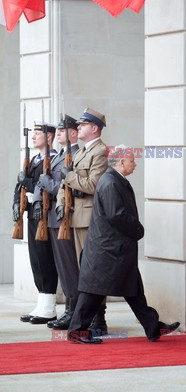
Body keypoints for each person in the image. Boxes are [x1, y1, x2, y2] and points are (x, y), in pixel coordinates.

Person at [67, 145, 180, 344]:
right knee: (93, 291)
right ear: (121, 162)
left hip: (116, 250)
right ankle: (76, 332)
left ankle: (153, 327)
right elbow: (116, 214)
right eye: (131, 161)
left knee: (133, 289)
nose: (135, 164)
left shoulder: (115, 179)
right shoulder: (111, 182)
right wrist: (138, 229)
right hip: (108, 250)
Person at [56, 107, 108, 333]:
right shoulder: (79, 152)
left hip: (89, 218)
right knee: (81, 270)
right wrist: (60, 204)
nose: (78, 128)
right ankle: (87, 315)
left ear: (94, 128)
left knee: (93, 270)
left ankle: (99, 318)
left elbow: (93, 185)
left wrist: (68, 176)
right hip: (74, 216)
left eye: (83, 125)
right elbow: (63, 185)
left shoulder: (101, 151)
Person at [33, 115, 80, 330]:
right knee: (62, 268)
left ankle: (73, 311)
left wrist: (45, 182)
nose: (58, 134)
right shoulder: (59, 155)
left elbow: (62, 188)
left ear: (72, 133)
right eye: (58, 130)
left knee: (69, 267)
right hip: (51, 217)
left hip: (63, 217)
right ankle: (69, 310)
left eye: (62, 130)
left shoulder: (74, 154)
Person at [13, 122, 59, 324]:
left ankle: (49, 306)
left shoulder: (54, 159)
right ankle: (42, 303)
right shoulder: (33, 160)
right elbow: (20, 185)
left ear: (49, 138)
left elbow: (47, 186)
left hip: (44, 215)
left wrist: (28, 183)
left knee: (45, 258)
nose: (33, 137)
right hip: (31, 214)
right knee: (36, 260)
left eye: (38, 133)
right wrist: (16, 202)